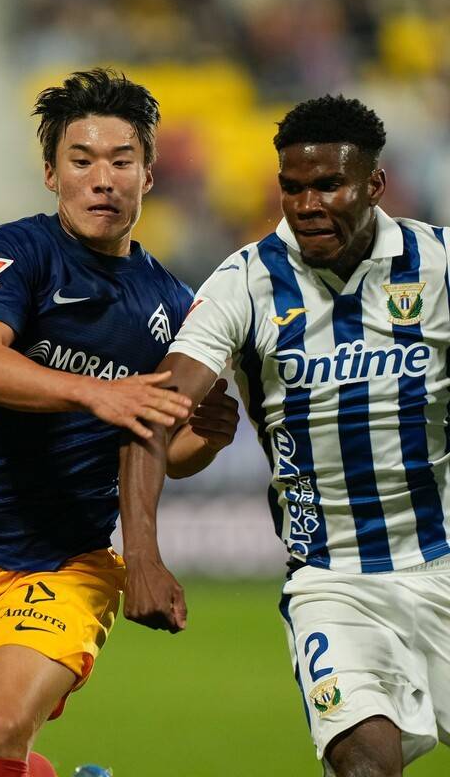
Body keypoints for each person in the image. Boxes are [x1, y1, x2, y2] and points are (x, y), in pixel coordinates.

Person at [0, 68, 238, 777]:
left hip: (67, 562)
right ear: (51, 174)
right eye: (82, 161)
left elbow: (164, 447)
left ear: (149, 176)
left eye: (122, 162)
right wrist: (96, 394)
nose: (103, 180)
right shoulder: (20, 251)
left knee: (0, 722)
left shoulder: (173, 304)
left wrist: (204, 439)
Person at [119, 95, 450, 777]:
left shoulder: (439, 264)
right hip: (333, 582)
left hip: (444, 559)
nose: (307, 205)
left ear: (375, 184)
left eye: (328, 185)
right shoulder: (247, 281)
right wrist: (142, 555)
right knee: (363, 767)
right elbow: (153, 412)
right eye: (292, 188)